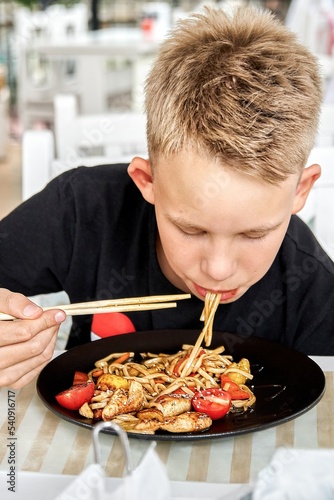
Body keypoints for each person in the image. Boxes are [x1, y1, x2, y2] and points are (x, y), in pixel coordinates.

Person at [1, 5, 333, 389]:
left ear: (300, 191)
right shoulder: (84, 211)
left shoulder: (311, 288)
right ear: (148, 181)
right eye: (191, 230)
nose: (219, 269)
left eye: (253, 234)